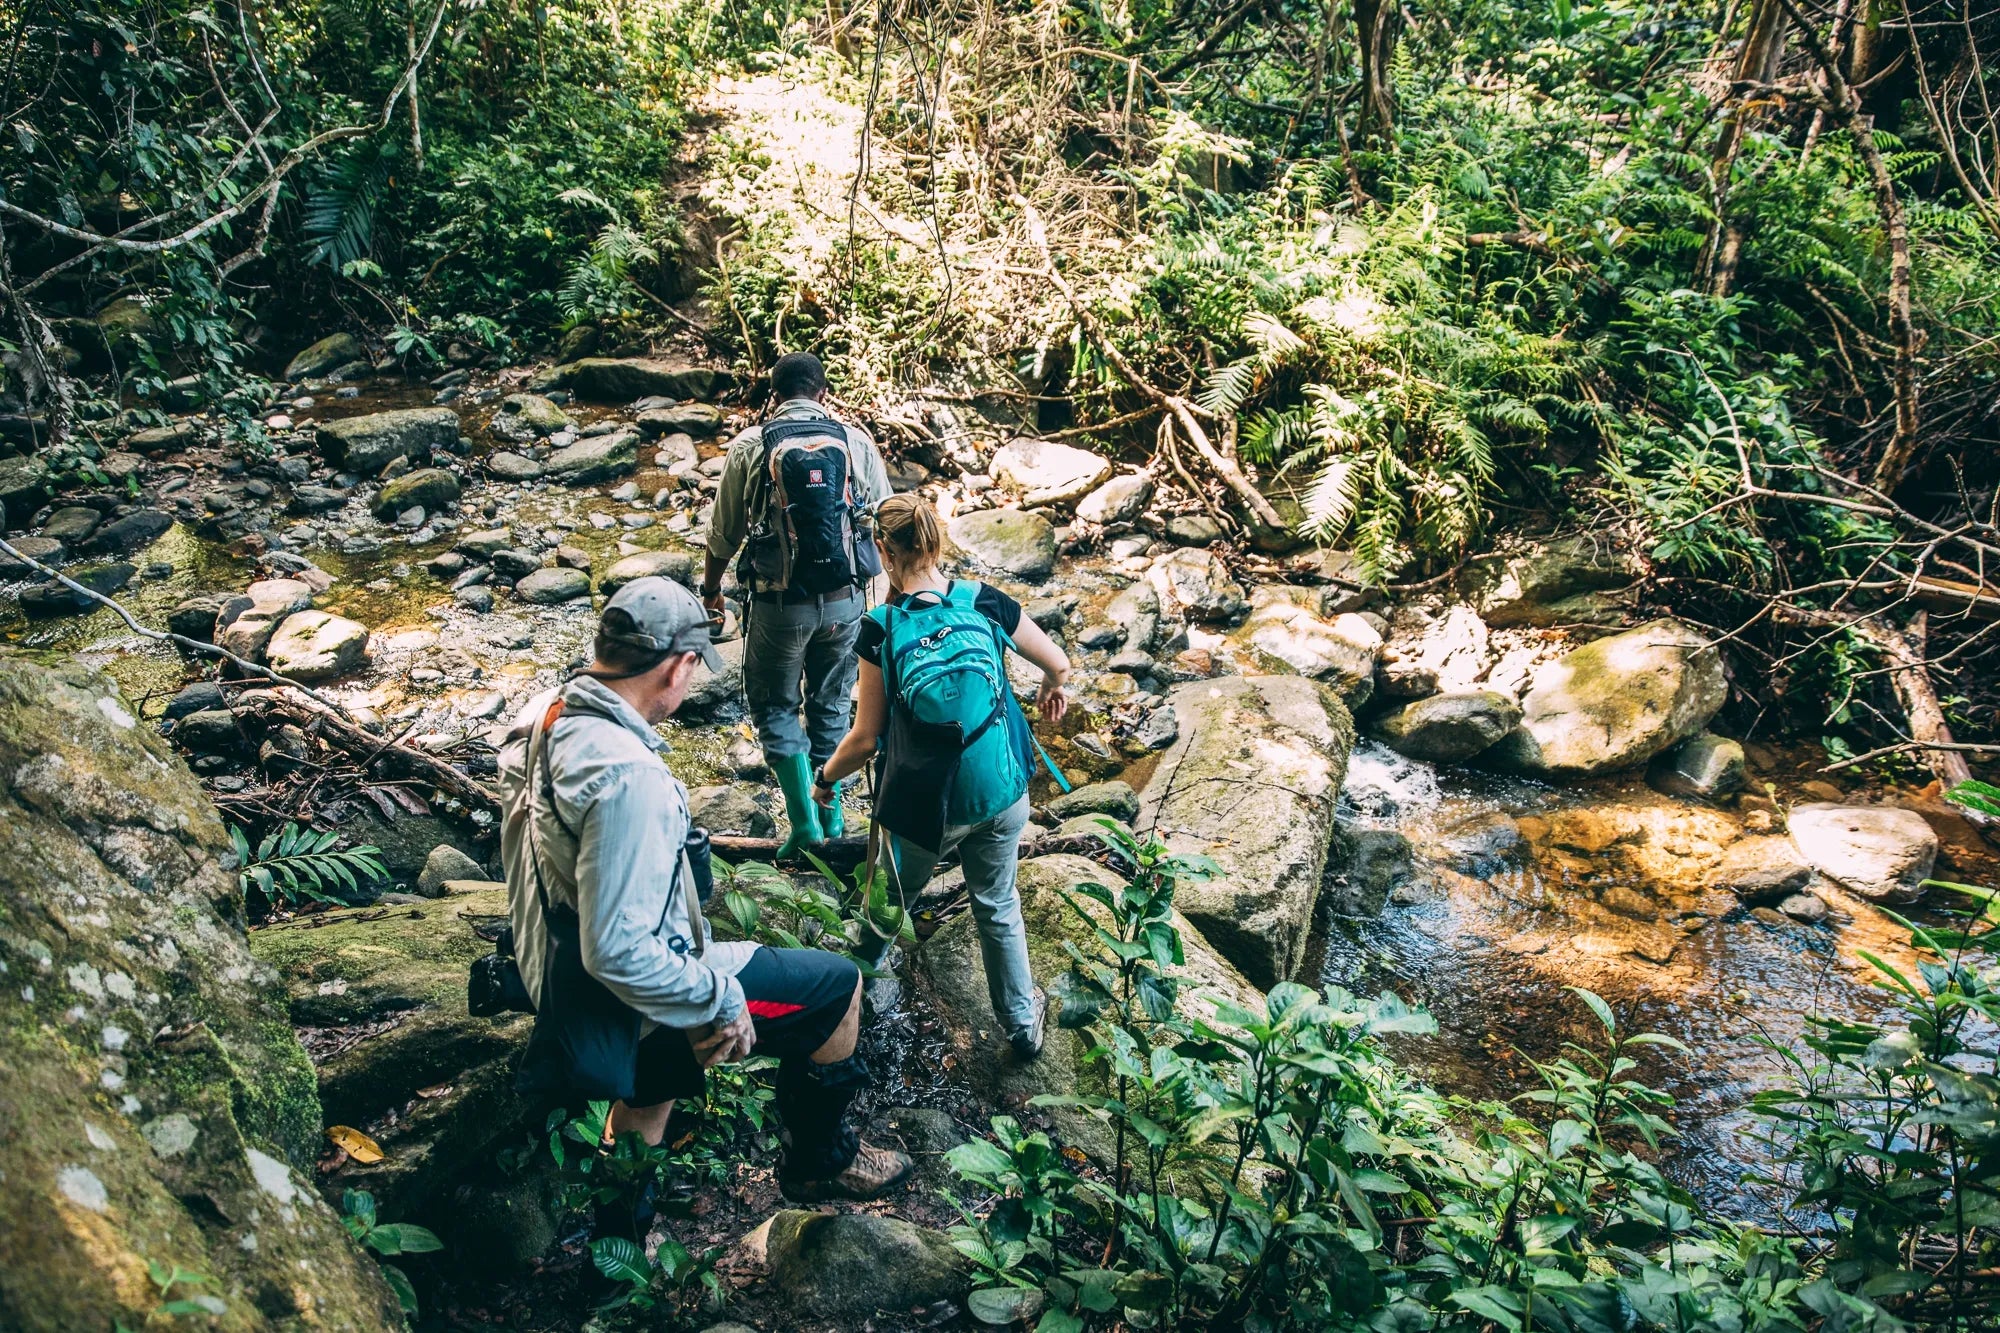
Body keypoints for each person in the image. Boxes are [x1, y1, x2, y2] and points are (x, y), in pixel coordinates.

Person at [498, 576, 912, 1209]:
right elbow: (618, 951)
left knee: (653, 1080)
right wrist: (715, 998)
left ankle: (619, 1247)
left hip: (550, 966)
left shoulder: (544, 715)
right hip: (611, 987)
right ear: (679, 667)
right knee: (837, 988)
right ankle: (821, 1160)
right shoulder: (627, 776)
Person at [811, 494, 1072, 1060]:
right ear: (935, 542)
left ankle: (852, 987)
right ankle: (1023, 1026)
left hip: (929, 810)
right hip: (1003, 793)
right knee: (997, 905)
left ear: (882, 549)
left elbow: (863, 740)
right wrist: (1054, 687)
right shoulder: (984, 600)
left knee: (889, 897)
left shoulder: (880, 630)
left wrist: (825, 780)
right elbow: (1057, 661)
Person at [701, 351, 892, 859]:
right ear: (823, 394)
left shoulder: (750, 446)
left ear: (775, 395)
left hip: (779, 606)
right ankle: (832, 817)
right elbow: (886, 519)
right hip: (847, 603)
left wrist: (711, 589)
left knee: (774, 707)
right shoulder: (855, 441)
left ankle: (804, 823)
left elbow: (724, 532)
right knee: (831, 706)